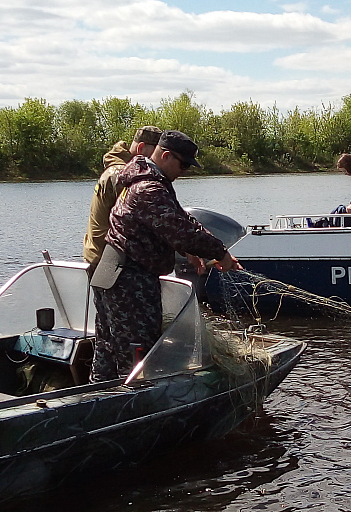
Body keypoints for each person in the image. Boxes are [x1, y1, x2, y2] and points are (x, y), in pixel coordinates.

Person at [89, 130, 242, 382]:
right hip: (129, 280)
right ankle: (133, 408)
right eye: (182, 165)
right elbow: (181, 230)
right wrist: (219, 253)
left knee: (108, 345)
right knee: (136, 353)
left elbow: (182, 219)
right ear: (166, 155)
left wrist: (193, 252)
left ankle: (99, 396)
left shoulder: (145, 181)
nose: (184, 171)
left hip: (111, 273)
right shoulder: (149, 188)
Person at [83, 126, 162, 270]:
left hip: (103, 258)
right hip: (108, 262)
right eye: (155, 154)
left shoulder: (118, 170)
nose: (156, 161)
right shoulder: (122, 175)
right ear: (141, 148)